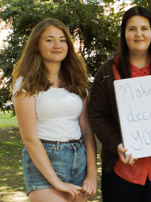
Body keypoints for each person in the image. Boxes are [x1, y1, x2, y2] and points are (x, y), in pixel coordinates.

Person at [88, 6, 151, 202]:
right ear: (124, 34)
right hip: (122, 172)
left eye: (144, 28)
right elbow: (97, 116)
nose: (138, 34)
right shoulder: (108, 72)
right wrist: (117, 144)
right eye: (132, 29)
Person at [11, 18, 97, 202]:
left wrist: (92, 174)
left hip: (78, 158)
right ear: (37, 46)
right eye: (49, 40)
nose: (57, 45)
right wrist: (57, 182)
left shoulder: (77, 81)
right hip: (45, 160)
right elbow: (29, 138)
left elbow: (87, 130)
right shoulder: (26, 84)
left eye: (62, 39)